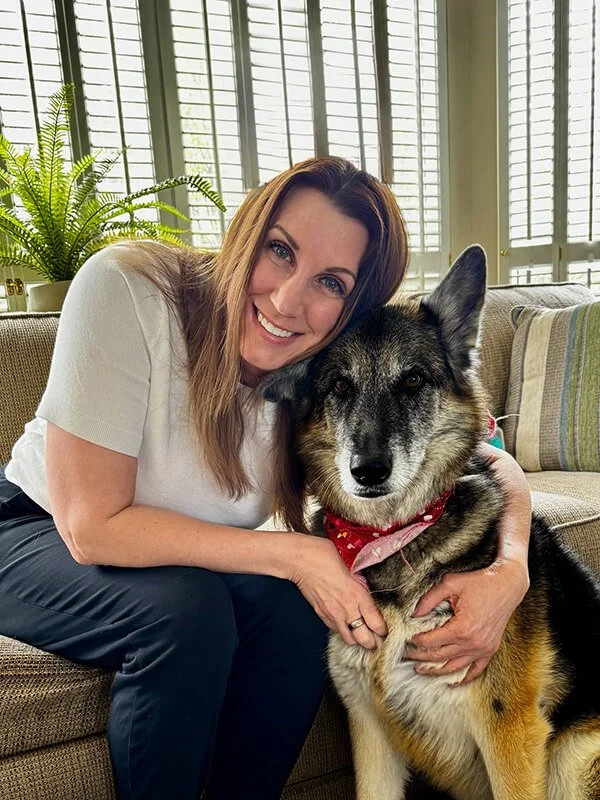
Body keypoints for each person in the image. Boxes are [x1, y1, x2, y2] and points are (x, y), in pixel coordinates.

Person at [0, 156, 532, 800]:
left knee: (293, 617)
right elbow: (92, 528)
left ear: (352, 303)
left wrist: (511, 570)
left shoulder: (319, 371)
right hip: (33, 530)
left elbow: (485, 459)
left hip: (184, 560)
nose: (288, 300)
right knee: (185, 614)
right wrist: (298, 554)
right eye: (280, 251)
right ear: (247, 233)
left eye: (331, 283)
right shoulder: (125, 288)